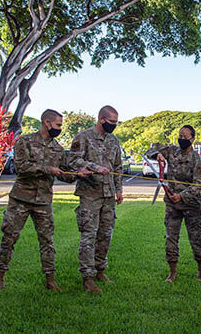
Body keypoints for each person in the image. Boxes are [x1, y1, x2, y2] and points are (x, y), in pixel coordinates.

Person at [0, 109, 84, 293]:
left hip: (43, 201)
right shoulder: (26, 141)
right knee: (9, 238)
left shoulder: (57, 148)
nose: (60, 128)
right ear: (46, 123)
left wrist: (78, 175)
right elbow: (21, 167)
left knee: (47, 241)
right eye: (58, 125)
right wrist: (48, 169)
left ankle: (50, 279)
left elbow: (64, 173)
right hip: (20, 199)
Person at [68, 105, 124, 294]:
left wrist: (119, 190)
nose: (114, 126)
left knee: (105, 235)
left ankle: (100, 270)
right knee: (89, 236)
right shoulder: (83, 137)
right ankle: (87, 277)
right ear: (101, 119)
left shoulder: (114, 141)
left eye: (116, 123)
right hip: (90, 194)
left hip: (108, 195)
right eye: (111, 123)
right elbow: (72, 161)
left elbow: (118, 167)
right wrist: (93, 166)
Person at [146, 125, 201, 282]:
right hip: (172, 205)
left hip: (191, 205)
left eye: (186, 137)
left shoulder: (197, 160)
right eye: (180, 136)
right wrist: (158, 154)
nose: (182, 140)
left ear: (193, 139)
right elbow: (150, 150)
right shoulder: (172, 151)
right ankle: (172, 272)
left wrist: (182, 196)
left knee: (196, 239)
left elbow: (198, 184)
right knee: (171, 238)